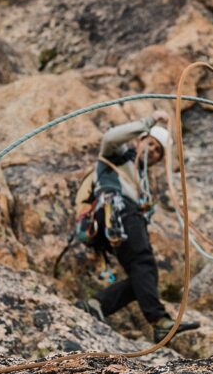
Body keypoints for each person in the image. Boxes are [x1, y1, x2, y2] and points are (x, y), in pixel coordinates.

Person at [76, 110, 200, 339]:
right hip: (115, 211)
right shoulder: (118, 155)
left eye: (157, 152)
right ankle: (159, 320)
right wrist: (149, 122)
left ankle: (96, 304)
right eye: (151, 144)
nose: (152, 152)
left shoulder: (142, 181)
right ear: (141, 140)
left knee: (143, 275)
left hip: (117, 221)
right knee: (143, 262)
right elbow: (110, 137)